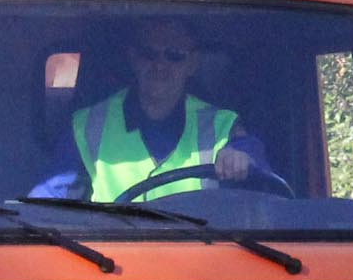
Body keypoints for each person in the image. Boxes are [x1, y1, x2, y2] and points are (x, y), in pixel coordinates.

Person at [29, 17, 269, 201]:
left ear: (193, 64)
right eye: (148, 53)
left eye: (174, 55)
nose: (159, 65)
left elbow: (253, 159)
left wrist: (241, 159)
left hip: (200, 260)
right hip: (106, 260)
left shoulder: (222, 125)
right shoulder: (87, 125)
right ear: (133, 58)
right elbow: (48, 201)